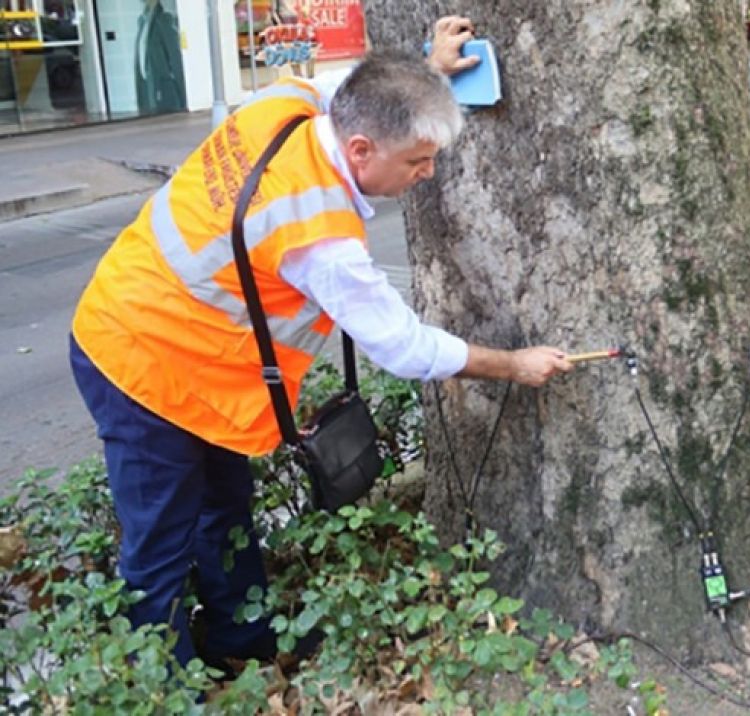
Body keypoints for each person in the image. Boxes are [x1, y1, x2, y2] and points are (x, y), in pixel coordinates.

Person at [69, 16, 574, 670]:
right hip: (138, 363)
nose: (425, 175)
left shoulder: (286, 106)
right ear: (361, 151)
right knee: (158, 543)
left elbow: (353, 88)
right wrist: (512, 364)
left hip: (189, 357)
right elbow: (404, 348)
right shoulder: (320, 237)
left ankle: (240, 642)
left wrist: (428, 68)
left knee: (225, 512)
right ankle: (157, 687)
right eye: (417, 161)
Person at [134, 0, 185, 114]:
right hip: (147, 88)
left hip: (163, 90)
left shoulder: (164, 20)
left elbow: (175, 58)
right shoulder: (142, 21)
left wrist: (182, 95)